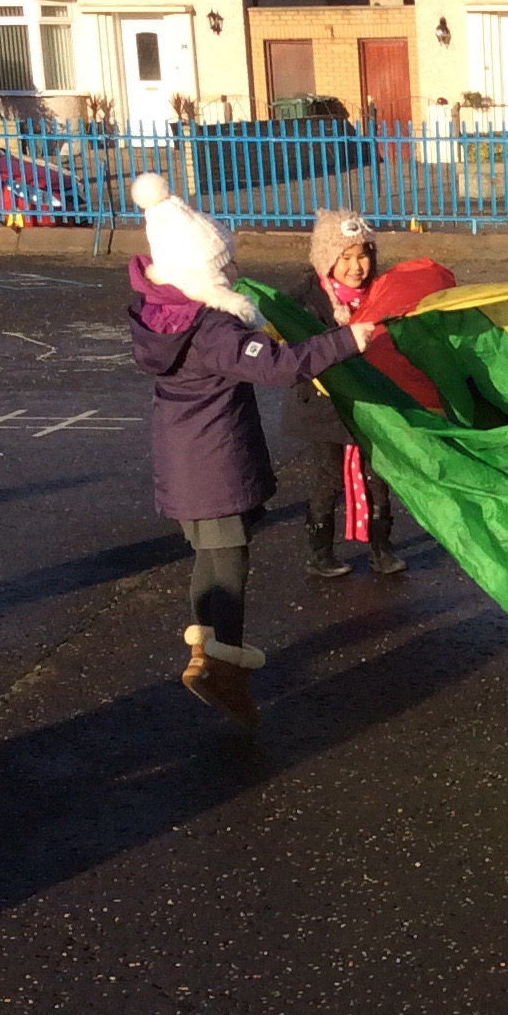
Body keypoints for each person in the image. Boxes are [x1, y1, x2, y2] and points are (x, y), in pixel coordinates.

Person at [126, 173, 375, 731]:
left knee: (208, 557)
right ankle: (223, 669)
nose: (234, 270)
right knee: (230, 563)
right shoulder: (211, 327)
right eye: (226, 263)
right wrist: (348, 340)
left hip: (185, 461)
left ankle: (203, 650)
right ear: (203, 270)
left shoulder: (168, 316)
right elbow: (279, 367)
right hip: (214, 462)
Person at [284, 210, 406, 579]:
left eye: (363, 256)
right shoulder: (306, 301)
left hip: (371, 402)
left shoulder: (383, 293)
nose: (356, 267)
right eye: (346, 257)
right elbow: (296, 350)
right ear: (327, 260)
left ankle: (381, 548)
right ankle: (320, 552)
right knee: (330, 478)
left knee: (379, 477)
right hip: (324, 407)